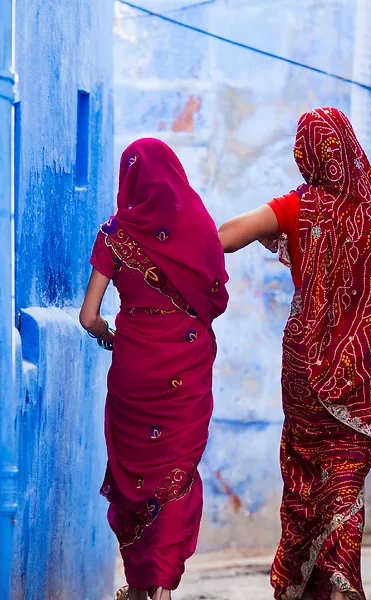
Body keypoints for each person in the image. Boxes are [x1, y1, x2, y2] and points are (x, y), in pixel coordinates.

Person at [218, 107, 371, 600]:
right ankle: (342, 583)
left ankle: (306, 583)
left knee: (306, 476)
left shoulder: (300, 207)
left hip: (306, 366)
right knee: (345, 479)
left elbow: (225, 239)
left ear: (306, 153)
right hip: (364, 371)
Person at [79, 138, 229, 600]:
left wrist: (110, 335)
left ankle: (142, 585)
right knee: (175, 470)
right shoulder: (198, 227)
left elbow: (88, 317)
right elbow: (216, 297)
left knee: (134, 477)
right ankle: (162, 585)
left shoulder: (113, 234)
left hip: (133, 368)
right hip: (185, 364)